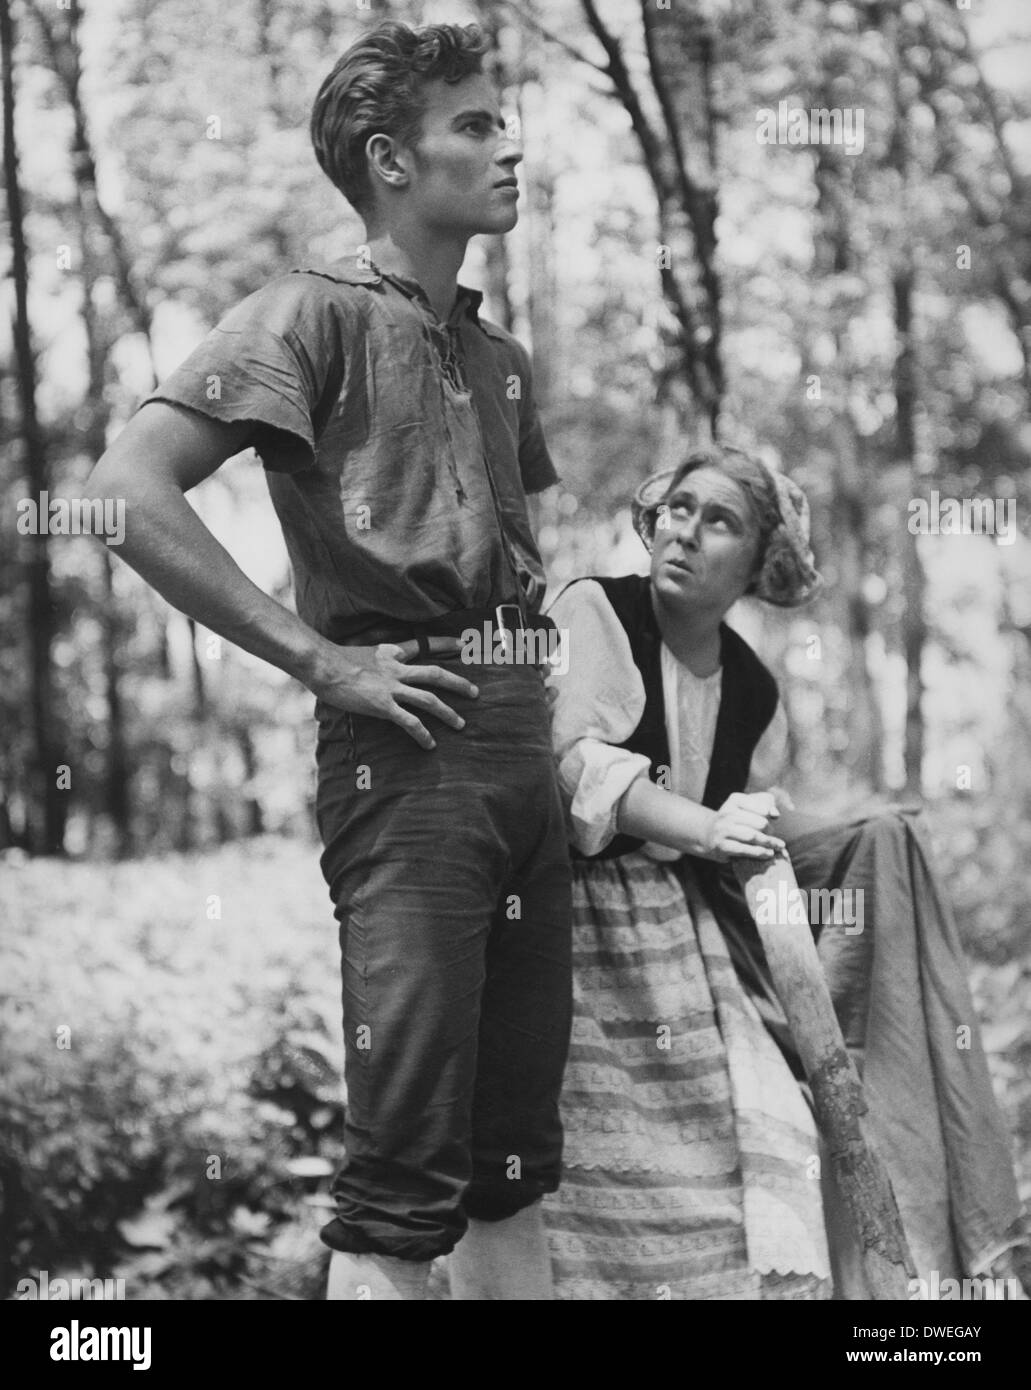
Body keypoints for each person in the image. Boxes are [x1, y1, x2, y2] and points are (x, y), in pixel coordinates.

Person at [84, 20, 572, 1301]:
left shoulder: (496, 356)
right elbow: (124, 494)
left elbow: (526, 560)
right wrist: (321, 663)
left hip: (528, 758)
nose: (506, 142)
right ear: (388, 160)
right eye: (473, 124)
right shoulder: (304, 313)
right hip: (408, 758)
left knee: (509, 1162)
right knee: (400, 1174)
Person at [542, 445, 1029, 1299]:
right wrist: (701, 827)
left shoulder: (752, 684)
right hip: (576, 929)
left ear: (758, 562)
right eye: (677, 509)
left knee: (749, 1170)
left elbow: (738, 812)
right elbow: (574, 764)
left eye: (717, 520)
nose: (683, 533)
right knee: (598, 1180)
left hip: (679, 938)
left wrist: (863, 837)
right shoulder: (599, 610)